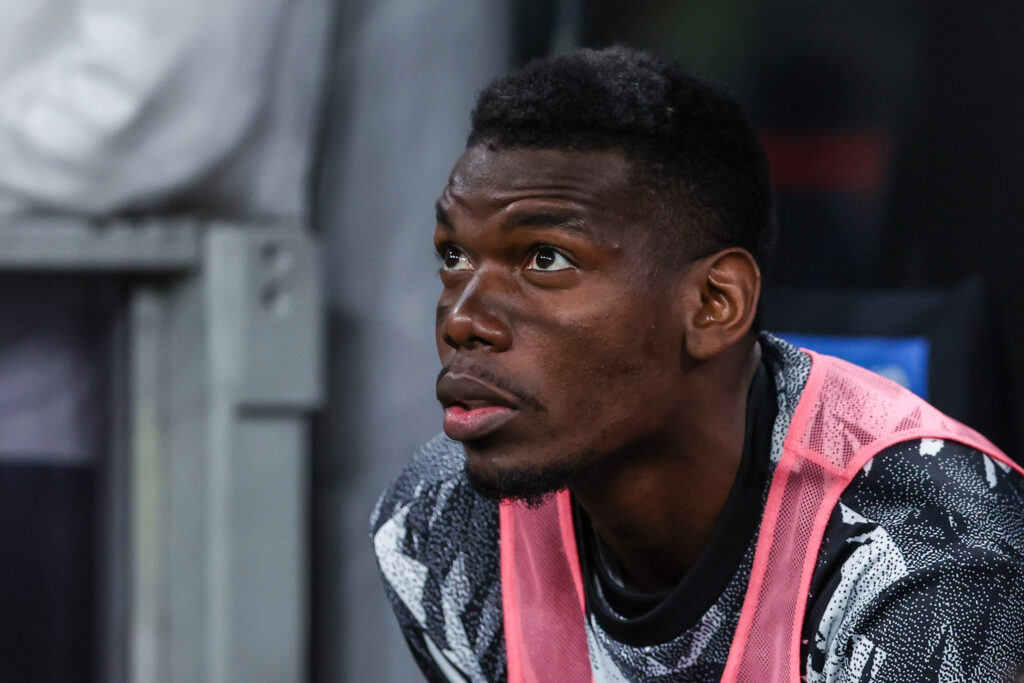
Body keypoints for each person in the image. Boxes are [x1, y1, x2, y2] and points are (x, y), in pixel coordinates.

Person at [370, 46, 1024, 682]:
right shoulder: (439, 522)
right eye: (454, 256)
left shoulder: (933, 560)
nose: (462, 318)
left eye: (546, 258)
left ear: (714, 303)